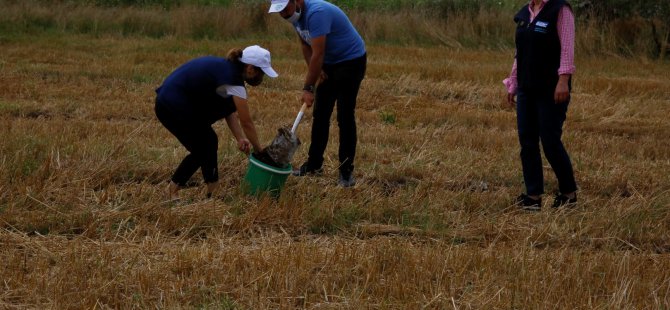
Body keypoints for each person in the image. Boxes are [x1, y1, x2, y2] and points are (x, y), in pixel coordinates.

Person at [155, 45, 278, 199]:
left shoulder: (227, 70)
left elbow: (228, 109)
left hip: (171, 102)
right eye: (262, 74)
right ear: (251, 69)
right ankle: (171, 191)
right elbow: (247, 122)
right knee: (202, 148)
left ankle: (213, 189)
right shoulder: (233, 80)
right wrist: (260, 152)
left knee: (209, 140)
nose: (261, 79)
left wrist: (240, 138)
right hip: (173, 105)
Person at [268, 0, 367, 187]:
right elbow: (306, 46)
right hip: (329, 63)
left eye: (285, 9)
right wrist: (315, 70)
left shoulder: (317, 13)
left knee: (344, 117)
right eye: (279, 12)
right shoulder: (295, 16)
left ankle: (346, 173)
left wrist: (308, 88)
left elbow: (318, 53)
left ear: (296, 1)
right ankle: (314, 166)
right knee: (320, 115)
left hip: (351, 61)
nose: (284, 15)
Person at [503, 0, 578, 211]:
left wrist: (563, 80)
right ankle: (533, 197)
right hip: (527, 88)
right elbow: (521, 52)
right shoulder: (526, 13)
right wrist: (513, 82)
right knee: (527, 142)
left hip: (551, 89)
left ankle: (568, 194)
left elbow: (567, 49)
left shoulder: (560, 10)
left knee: (550, 141)